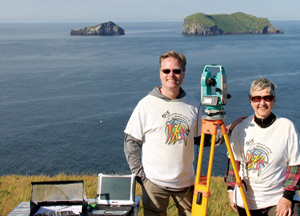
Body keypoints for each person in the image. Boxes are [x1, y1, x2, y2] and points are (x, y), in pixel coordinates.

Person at [124, 51, 242, 216]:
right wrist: (141, 177)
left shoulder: (193, 105)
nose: (171, 75)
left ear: (183, 74)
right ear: (160, 73)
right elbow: (130, 142)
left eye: (176, 71)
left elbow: (204, 139)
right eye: (167, 71)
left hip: (186, 184)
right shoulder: (146, 104)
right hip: (154, 185)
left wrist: (229, 129)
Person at [225, 78, 300, 216]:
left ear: (274, 100)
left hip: (278, 199)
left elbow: (296, 165)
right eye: (257, 98)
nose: (262, 103)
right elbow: (233, 163)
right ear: (250, 100)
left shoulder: (286, 127)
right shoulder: (241, 128)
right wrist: (231, 191)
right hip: (247, 201)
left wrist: (287, 197)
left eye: (267, 98)